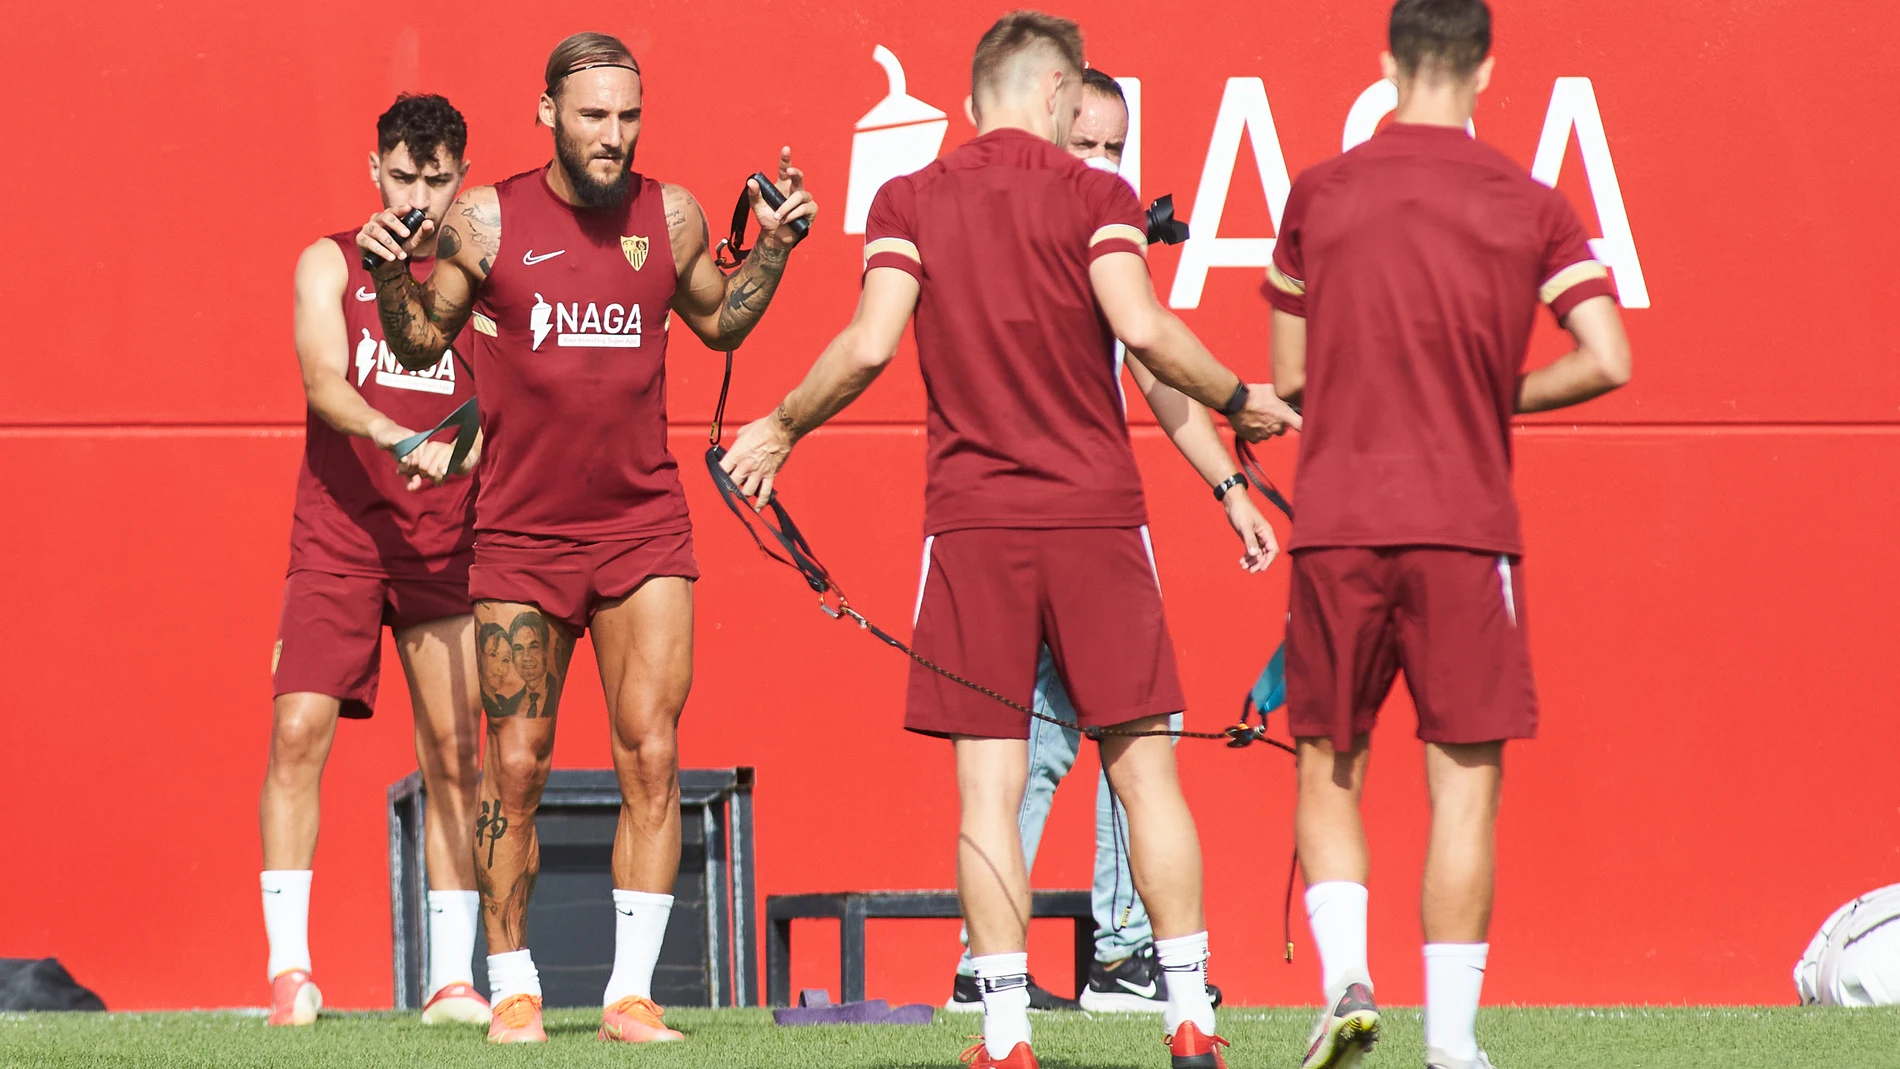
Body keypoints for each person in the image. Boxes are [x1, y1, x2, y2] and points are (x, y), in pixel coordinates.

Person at [720, 13, 1295, 1069]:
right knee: (1147, 778)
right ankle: (1185, 1014)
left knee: (986, 790)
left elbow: (868, 344)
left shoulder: (909, 200)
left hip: (974, 526)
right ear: (1058, 96)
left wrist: (781, 426)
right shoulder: (1096, 197)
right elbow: (1147, 332)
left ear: (975, 94)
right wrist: (1242, 399)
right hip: (1096, 521)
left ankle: (1003, 1035)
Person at [358, 31, 817, 1046]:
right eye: (593, 115)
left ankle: (629, 997)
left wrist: (776, 247)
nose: (613, 136)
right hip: (521, 537)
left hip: (643, 526)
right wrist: (390, 274)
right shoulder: (486, 220)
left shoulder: (676, 214)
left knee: (652, 755)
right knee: (512, 767)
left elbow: (720, 319)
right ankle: (514, 985)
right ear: (548, 113)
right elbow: (421, 341)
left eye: (628, 116)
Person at [1262, 3, 1631, 1067]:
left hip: (1335, 521)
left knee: (1328, 761)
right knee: (1462, 782)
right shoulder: (1526, 201)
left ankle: (1344, 981)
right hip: (1463, 526)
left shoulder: (1319, 193)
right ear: (1485, 69)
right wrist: (1491, 395)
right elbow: (1606, 356)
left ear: (1386, 65)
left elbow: (1288, 376)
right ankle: (1452, 1045)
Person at [943, 66, 1267, 1016]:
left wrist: (1228, 483)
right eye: (1080, 142)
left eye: (1113, 147)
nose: (1098, 163)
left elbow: (1154, 367)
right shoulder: (989, 231)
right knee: (1045, 748)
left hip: (1068, 531)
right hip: (1030, 528)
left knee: (1089, 741)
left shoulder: (1103, 238)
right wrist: (1245, 401)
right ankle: (1069, 965)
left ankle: (1075, 962)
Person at [261, 92, 490, 1028]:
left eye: (437, 181)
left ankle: (450, 980)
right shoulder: (329, 260)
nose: (419, 199)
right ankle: (290, 973)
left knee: (454, 754)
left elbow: (497, 413)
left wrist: (459, 449)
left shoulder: (479, 275)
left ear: (461, 179)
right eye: (404, 176)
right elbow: (323, 380)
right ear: (374, 170)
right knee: (298, 733)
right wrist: (398, 434)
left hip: (443, 542)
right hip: (342, 535)